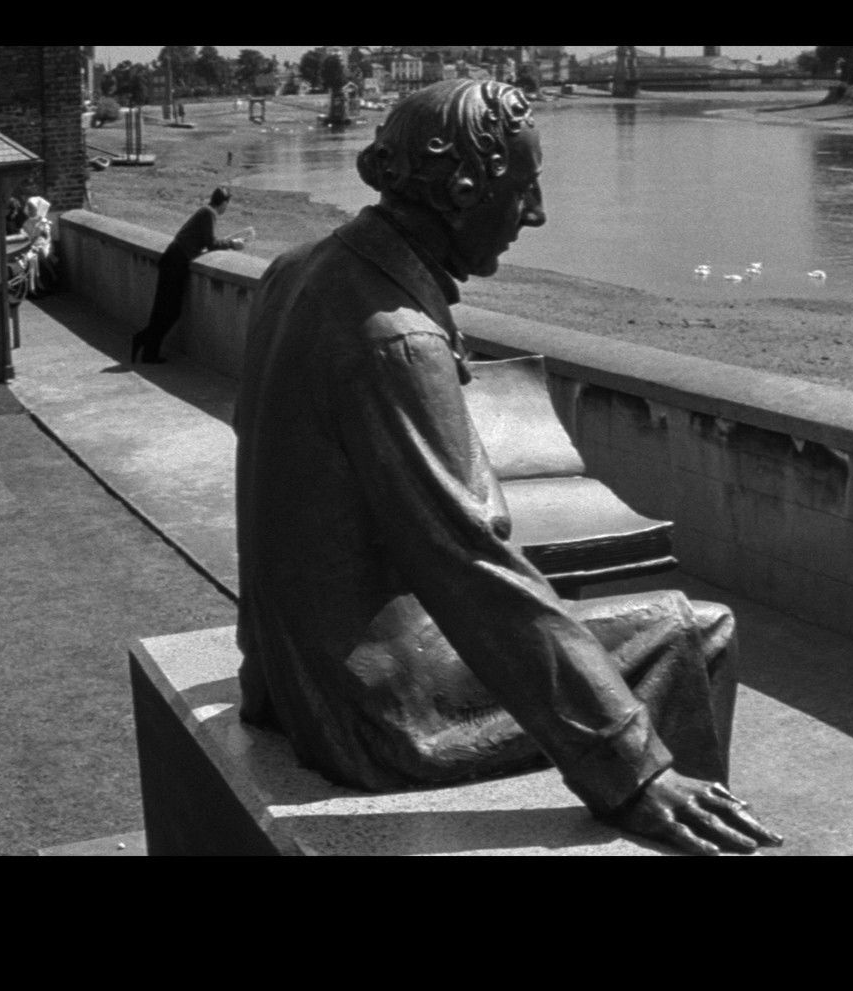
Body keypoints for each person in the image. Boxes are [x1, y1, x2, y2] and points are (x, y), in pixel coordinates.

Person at [231, 78, 781, 856]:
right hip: (378, 710)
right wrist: (633, 770)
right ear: (463, 194)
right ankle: (676, 826)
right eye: (524, 190)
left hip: (290, 680)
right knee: (698, 632)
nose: (538, 214)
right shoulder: (398, 341)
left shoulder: (295, 270)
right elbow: (472, 568)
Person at [131, 187, 242, 364]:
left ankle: (148, 351)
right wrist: (232, 243)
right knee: (171, 311)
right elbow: (211, 243)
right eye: (227, 204)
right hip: (176, 261)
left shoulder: (205, 211)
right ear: (223, 202)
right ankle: (143, 340)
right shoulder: (209, 213)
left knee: (162, 309)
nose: (226, 208)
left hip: (173, 259)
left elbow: (204, 241)